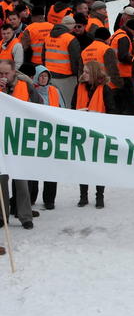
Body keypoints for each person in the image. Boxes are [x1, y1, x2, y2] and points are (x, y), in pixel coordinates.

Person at [0, 59, 42, 230]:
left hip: (19, 140)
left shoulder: (26, 86)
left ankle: (25, 215)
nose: (3, 76)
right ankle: (2, 216)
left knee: (22, 182)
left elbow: (39, 107)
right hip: (2, 141)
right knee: (1, 182)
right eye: (0, 73)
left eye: (6, 73)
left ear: (13, 72)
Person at [71, 61, 117, 208]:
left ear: (95, 73)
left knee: (98, 167)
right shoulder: (78, 87)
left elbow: (112, 111)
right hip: (82, 133)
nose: (83, 74)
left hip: (99, 135)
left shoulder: (105, 89)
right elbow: (72, 107)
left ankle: (99, 196)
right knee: (82, 166)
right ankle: (83, 196)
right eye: (83, 71)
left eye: (86, 72)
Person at [27, 65, 65, 209]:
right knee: (34, 168)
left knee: (51, 168)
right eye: (41, 76)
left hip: (52, 135)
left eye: (46, 76)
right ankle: (31, 197)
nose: (43, 79)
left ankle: (49, 200)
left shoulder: (54, 91)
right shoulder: (31, 91)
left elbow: (63, 110)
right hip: (35, 134)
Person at [43, 15, 81, 108]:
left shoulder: (48, 36)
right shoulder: (70, 39)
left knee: (52, 103)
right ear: (71, 26)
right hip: (66, 77)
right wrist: (76, 74)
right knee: (68, 105)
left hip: (50, 75)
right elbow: (76, 60)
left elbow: (43, 56)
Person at [110, 18, 134, 115]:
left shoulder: (117, 34)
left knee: (119, 102)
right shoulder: (124, 38)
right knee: (129, 102)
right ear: (133, 30)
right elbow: (123, 56)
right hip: (124, 74)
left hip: (115, 73)